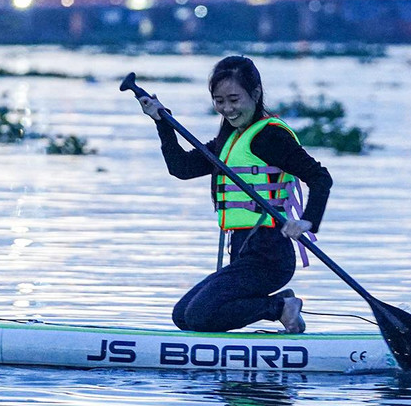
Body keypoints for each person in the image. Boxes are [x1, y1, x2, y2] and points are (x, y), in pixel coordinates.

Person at [139, 55, 332, 334]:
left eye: (234, 99)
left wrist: (307, 221)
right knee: (183, 316)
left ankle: (280, 308)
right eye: (219, 101)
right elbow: (181, 168)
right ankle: (280, 306)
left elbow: (320, 177)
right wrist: (162, 122)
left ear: (255, 94)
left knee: (198, 316)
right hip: (243, 253)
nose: (227, 109)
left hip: (270, 255)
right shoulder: (228, 140)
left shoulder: (270, 138)